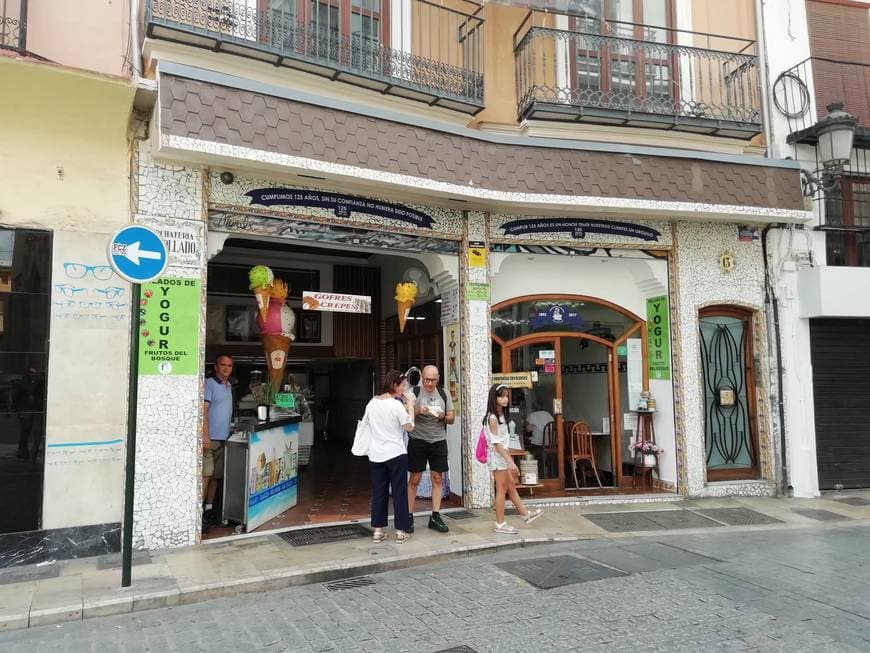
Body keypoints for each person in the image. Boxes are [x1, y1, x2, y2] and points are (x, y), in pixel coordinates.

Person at [485, 384, 543, 534]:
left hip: (502, 455)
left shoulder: (501, 414)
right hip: (498, 457)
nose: (505, 399)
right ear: (494, 398)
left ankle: (524, 514)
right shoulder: (492, 418)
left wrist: (509, 458)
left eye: (506, 396)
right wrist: (510, 461)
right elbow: (496, 443)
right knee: (502, 488)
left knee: (510, 486)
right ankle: (500, 524)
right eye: (501, 396)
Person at [367, 369, 416, 544]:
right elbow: (409, 427)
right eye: (402, 385)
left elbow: (366, 424)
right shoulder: (396, 405)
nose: (404, 389)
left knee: (379, 491)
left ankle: (378, 530)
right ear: (394, 385)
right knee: (399, 492)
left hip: (375, 454)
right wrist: (410, 405)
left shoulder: (372, 403)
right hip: (395, 453)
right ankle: (401, 530)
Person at [407, 365, 455, 534]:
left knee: (437, 478)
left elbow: (451, 418)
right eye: (426, 379)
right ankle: (409, 516)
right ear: (422, 378)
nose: (429, 383)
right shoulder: (415, 393)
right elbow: (406, 416)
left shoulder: (444, 393)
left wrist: (442, 416)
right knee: (415, 479)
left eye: (433, 380)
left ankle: (435, 515)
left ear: (438, 378)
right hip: (417, 440)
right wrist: (417, 412)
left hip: (438, 440)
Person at [202, 354, 234, 529]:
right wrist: (205, 435)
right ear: (216, 366)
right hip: (210, 439)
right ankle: (197, 512)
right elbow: (204, 410)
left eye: (229, 365)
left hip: (223, 438)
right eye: (223, 365)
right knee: (206, 475)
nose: (226, 368)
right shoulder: (210, 384)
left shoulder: (228, 386)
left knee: (216, 476)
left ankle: (208, 510)